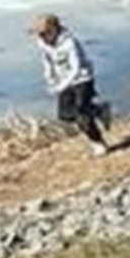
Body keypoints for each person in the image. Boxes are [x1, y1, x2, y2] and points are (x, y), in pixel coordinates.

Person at [30, 13, 111, 155]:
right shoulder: (43, 43)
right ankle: (99, 110)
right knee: (65, 115)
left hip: (82, 79)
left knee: (82, 113)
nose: (42, 37)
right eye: (39, 34)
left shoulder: (69, 42)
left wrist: (63, 85)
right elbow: (46, 60)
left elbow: (76, 66)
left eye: (45, 33)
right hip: (64, 81)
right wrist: (49, 76)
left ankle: (98, 143)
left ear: (55, 29)